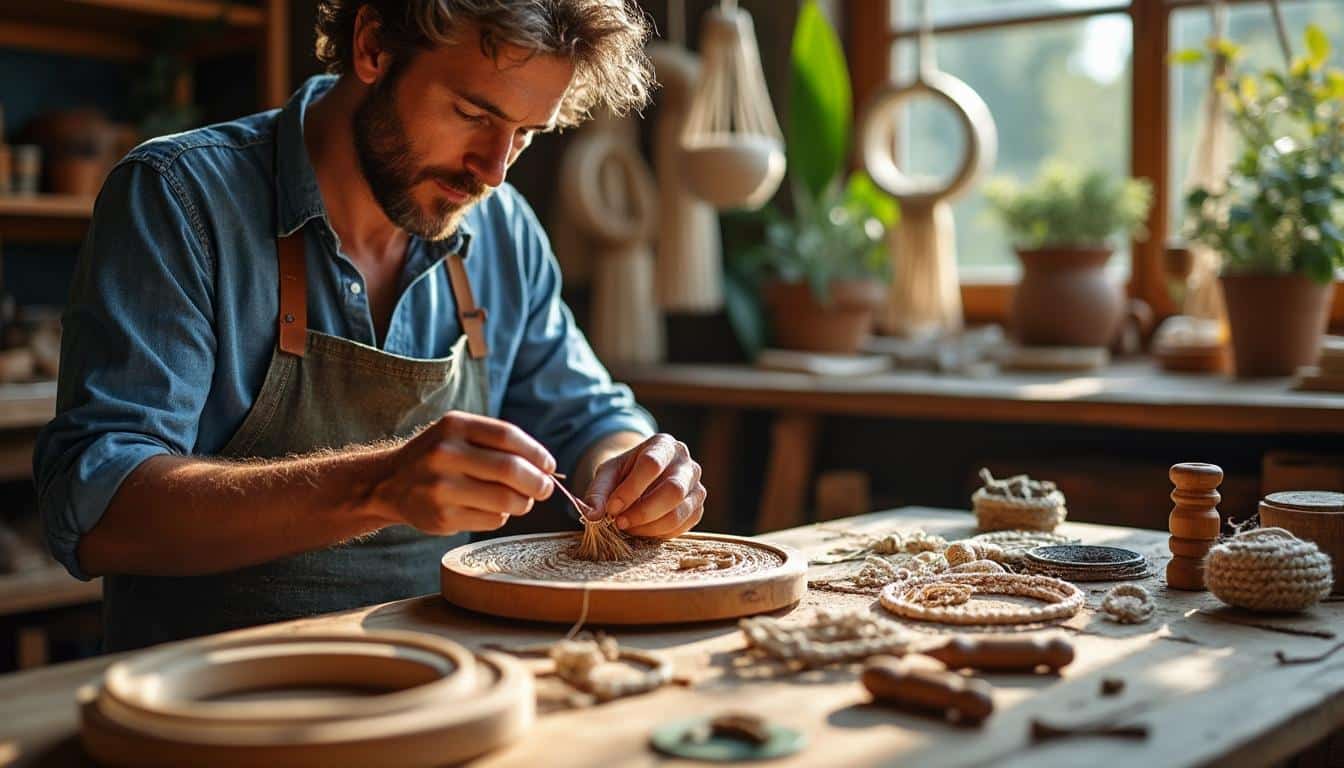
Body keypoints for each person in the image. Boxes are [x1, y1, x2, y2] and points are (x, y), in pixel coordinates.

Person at [33, 0, 705, 651]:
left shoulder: (503, 230)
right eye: (472, 113)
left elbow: (590, 417)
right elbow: (98, 508)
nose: (494, 171)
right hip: (208, 693)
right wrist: (377, 486)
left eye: (527, 133)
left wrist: (633, 466)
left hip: (445, 681)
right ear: (373, 45)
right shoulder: (180, 198)